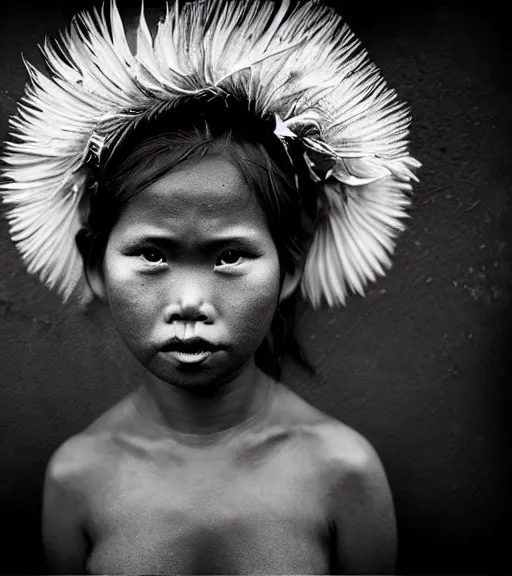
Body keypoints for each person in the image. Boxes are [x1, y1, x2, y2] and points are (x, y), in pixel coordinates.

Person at [0, 0, 420, 573]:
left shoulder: (343, 472)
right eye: (152, 254)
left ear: (289, 268)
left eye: (229, 256)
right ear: (96, 266)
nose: (191, 303)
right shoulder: (76, 477)